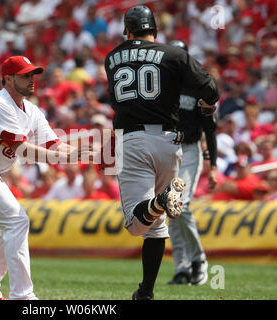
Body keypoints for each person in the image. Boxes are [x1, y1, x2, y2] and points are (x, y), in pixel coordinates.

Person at [0, 56, 93, 300]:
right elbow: (22, 149)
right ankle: (22, 297)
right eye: (25, 75)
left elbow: (54, 145)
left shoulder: (32, 110)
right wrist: (68, 158)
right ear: (8, 79)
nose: (31, 79)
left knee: (11, 224)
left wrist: (86, 154)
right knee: (16, 221)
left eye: (32, 74)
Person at [104, 6, 219, 300]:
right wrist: (208, 105)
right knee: (156, 227)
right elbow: (211, 88)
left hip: (132, 139)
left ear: (127, 31)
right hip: (172, 143)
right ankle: (146, 291)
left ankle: (161, 200)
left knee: (135, 224)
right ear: (154, 28)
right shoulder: (175, 54)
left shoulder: (112, 58)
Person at [166, 40, 218, 286]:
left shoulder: (199, 87)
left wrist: (214, 166)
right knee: (170, 210)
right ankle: (181, 268)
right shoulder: (160, 88)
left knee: (181, 205)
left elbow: (210, 128)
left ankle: (198, 259)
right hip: (166, 150)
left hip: (189, 150)